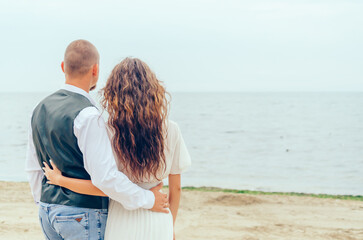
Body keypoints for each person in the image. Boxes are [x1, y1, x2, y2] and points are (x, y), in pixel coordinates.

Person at [25, 40, 169, 240]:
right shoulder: (88, 115)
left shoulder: (38, 108)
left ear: (62, 67)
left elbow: (33, 167)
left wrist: (43, 203)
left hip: (47, 212)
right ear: (95, 70)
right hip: (82, 213)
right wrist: (148, 199)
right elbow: (105, 178)